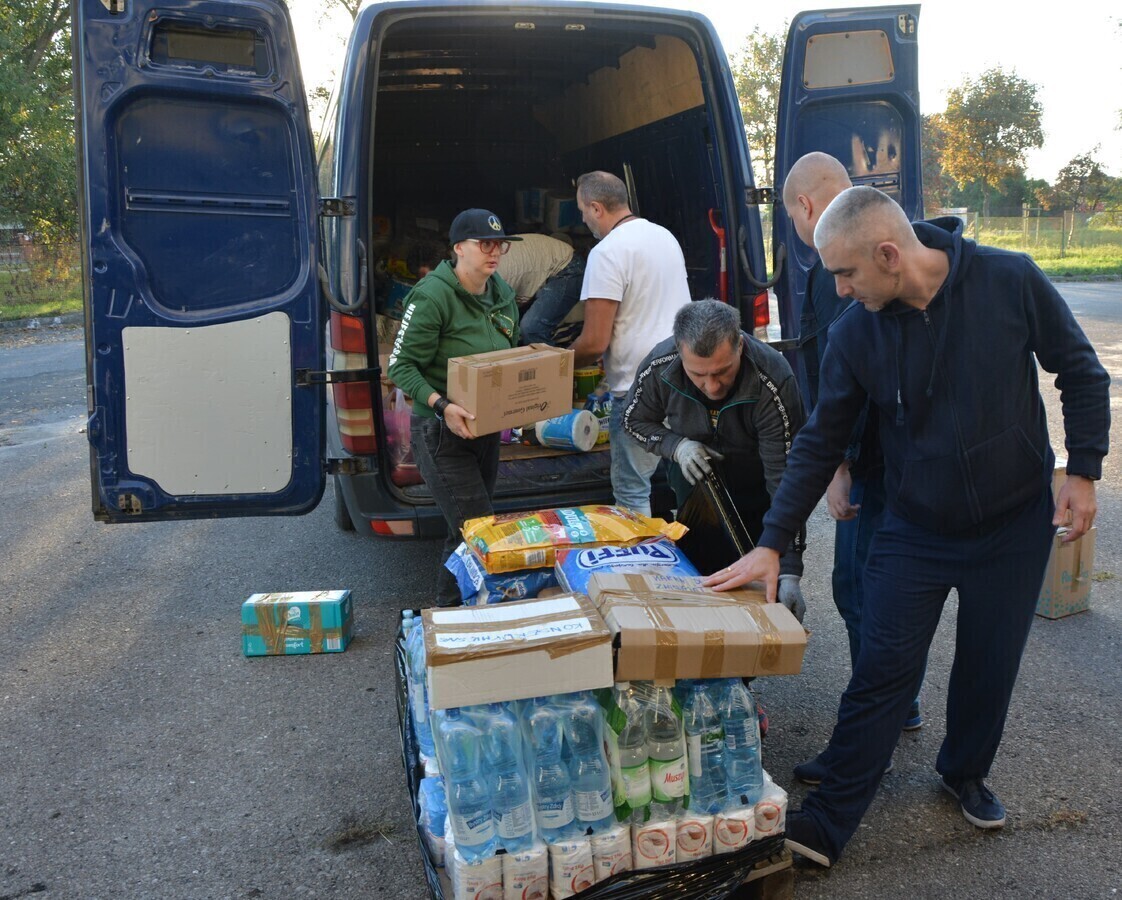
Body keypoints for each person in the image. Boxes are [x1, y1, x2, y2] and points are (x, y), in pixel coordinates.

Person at [703, 186, 1109, 868]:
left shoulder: (1008, 281)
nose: (837, 287)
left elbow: (1080, 370)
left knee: (990, 665)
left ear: (889, 255)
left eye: (845, 273)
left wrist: (1085, 469)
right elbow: (819, 440)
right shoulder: (855, 332)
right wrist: (772, 539)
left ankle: (964, 772)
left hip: (1012, 527)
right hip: (913, 528)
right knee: (883, 672)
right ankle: (825, 827)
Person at [782, 153, 921, 787]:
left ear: (806, 208)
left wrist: (838, 464)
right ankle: (900, 704)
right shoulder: (882, 243)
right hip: (899, 458)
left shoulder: (835, 264)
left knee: (860, 591)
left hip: (870, 463)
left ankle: (877, 724)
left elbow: (847, 384)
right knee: (876, 590)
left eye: (790, 219)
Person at [622, 299, 807, 618]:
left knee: (753, 582)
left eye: (723, 372)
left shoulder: (773, 379)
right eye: (698, 375)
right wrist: (676, 446)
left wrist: (789, 569)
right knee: (697, 574)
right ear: (680, 351)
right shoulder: (660, 364)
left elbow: (787, 482)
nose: (712, 386)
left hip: (757, 487)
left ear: (740, 344)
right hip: (693, 485)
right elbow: (632, 420)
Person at [387, 209, 522, 607]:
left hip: (485, 430)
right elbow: (399, 367)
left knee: (463, 529)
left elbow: (510, 355)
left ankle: (452, 614)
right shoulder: (433, 296)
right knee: (478, 528)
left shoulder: (502, 293)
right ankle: (461, 614)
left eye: (499, 244)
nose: (494, 251)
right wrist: (442, 404)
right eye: (485, 244)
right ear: (459, 248)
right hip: (441, 431)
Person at [567, 170, 691, 515]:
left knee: (633, 494)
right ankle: (695, 560)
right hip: (685, 377)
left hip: (641, 390)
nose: (582, 219)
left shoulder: (606, 252)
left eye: (581, 210)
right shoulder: (664, 236)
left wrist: (556, 367)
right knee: (686, 483)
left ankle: (642, 568)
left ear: (595, 208)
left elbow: (593, 342)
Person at [496, 232, 586, 346]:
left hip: (566, 266)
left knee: (532, 328)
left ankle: (551, 363)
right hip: (541, 262)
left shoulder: (495, 277)